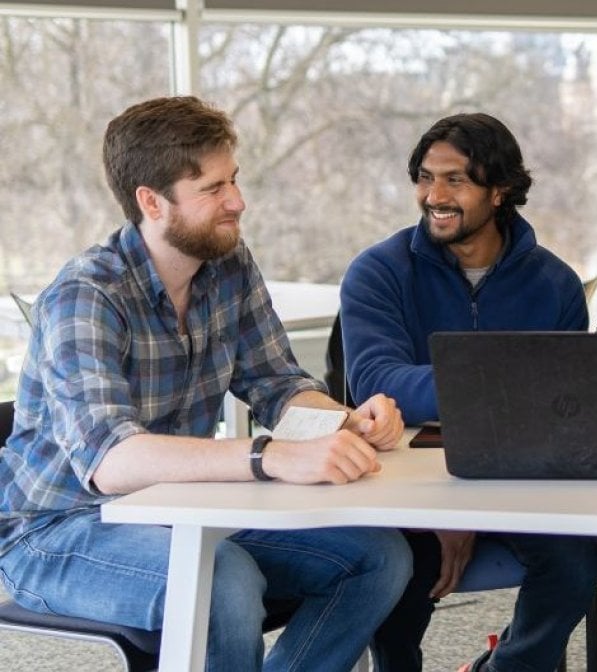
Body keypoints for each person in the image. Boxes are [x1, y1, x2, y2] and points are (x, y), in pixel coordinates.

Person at [0, 96, 413, 671]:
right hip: (59, 530)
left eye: (234, 181)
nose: (237, 201)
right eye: (213, 188)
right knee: (223, 577)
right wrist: (270, 459)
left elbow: (276, 385)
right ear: (152, 202)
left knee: (379, 558)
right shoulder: (86, 295)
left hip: (183, 507)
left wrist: (344, 420)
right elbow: (110, 462)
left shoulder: (227, 264)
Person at [339, 112, 597, 672]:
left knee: (577, 562)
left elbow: (563, 406)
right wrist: (505, 387)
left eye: (455, 179)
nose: (434, 195)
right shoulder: (377, 272)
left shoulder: (555, 284)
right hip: (412, 486)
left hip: (521, 482)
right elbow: (377, 382)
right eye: (425, 177)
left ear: (500, 189)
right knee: (394, 575)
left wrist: (476, 495)